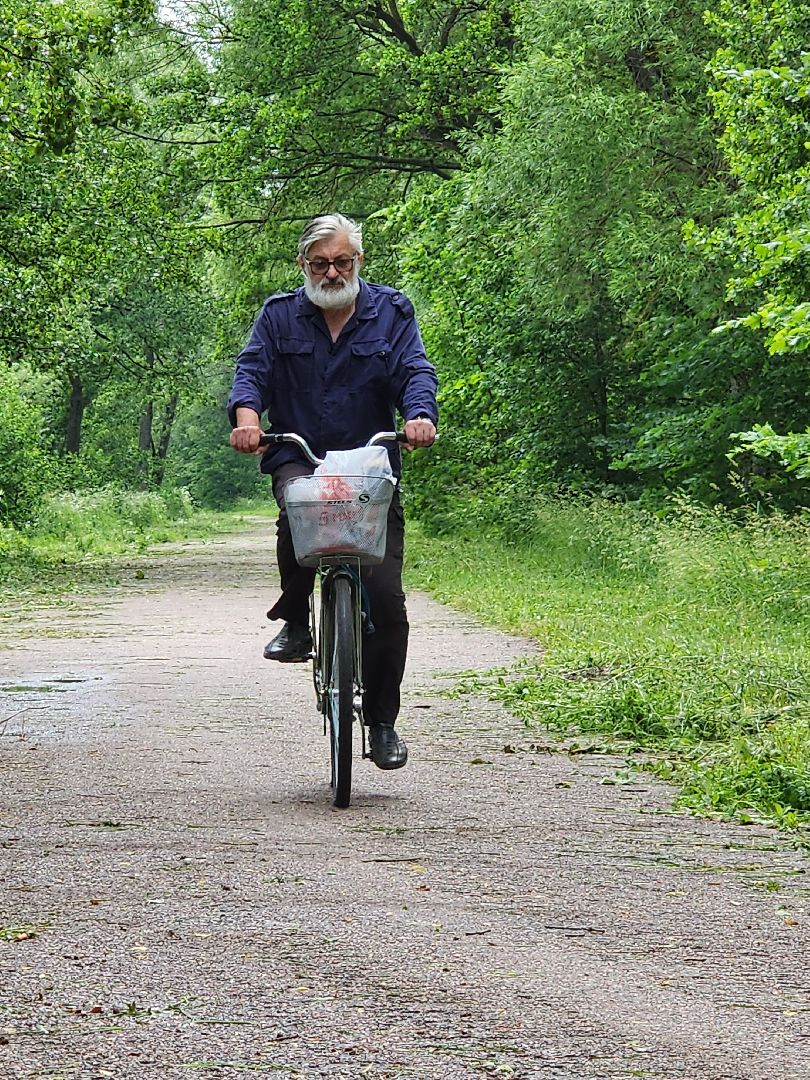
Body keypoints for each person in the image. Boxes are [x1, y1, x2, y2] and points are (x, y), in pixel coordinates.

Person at [228, 213, 438, 771]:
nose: (331, 271)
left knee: (388, 601)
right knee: (297, 509)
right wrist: (248, 420)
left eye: (342, 261)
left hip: (369, 461)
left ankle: (384, 724)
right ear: (304, 265)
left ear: (358, 262)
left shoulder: (392, 312)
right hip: (301, 451)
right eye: (320, 263)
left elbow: (415, 371)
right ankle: (297, 622)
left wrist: (419, 415)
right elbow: (251, 374)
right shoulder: (278, 316)